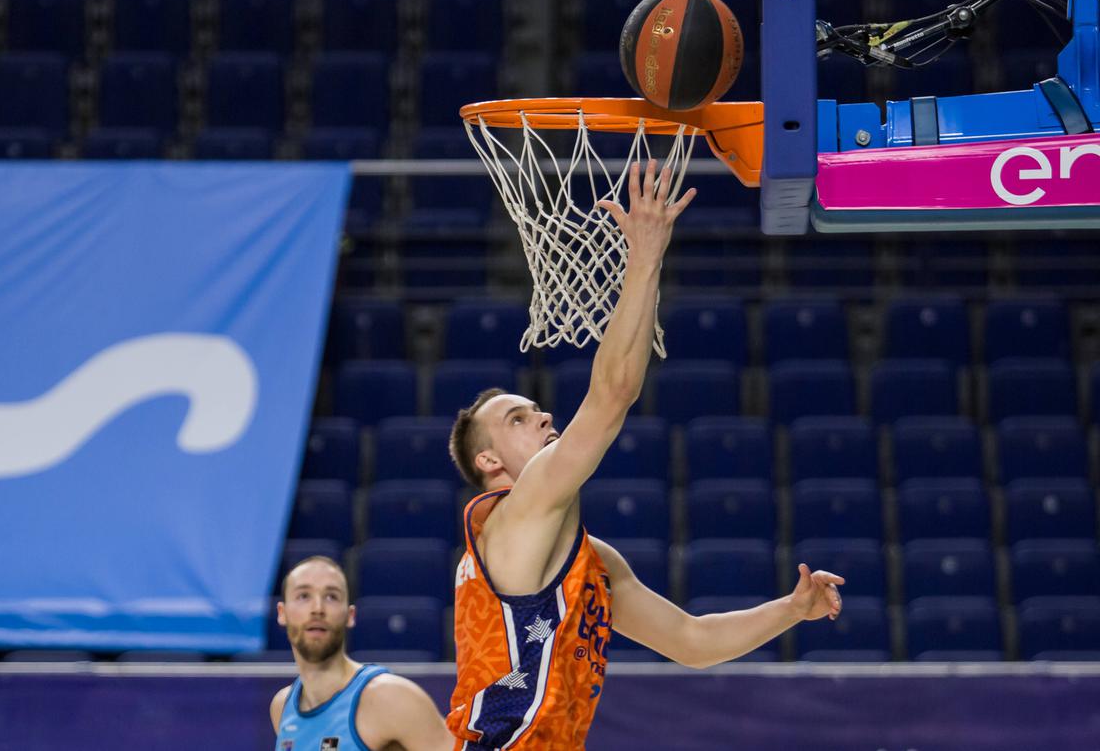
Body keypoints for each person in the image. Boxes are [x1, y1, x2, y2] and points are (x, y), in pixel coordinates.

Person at [445, 160, 846, 750]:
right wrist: (645, 254)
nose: (545, 417)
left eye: (536, 409)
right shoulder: (510, 514)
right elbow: (611, 396)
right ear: (489, 464)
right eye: (518, 419)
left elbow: (690, 640)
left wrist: (791, 609)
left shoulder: (591, 562)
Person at [270, 555, 456, 751]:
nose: (318, 609)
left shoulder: (391, 697)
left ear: (350, 616)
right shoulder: (281, 707)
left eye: (331, 596)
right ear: (282, 613)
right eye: (304, 596)